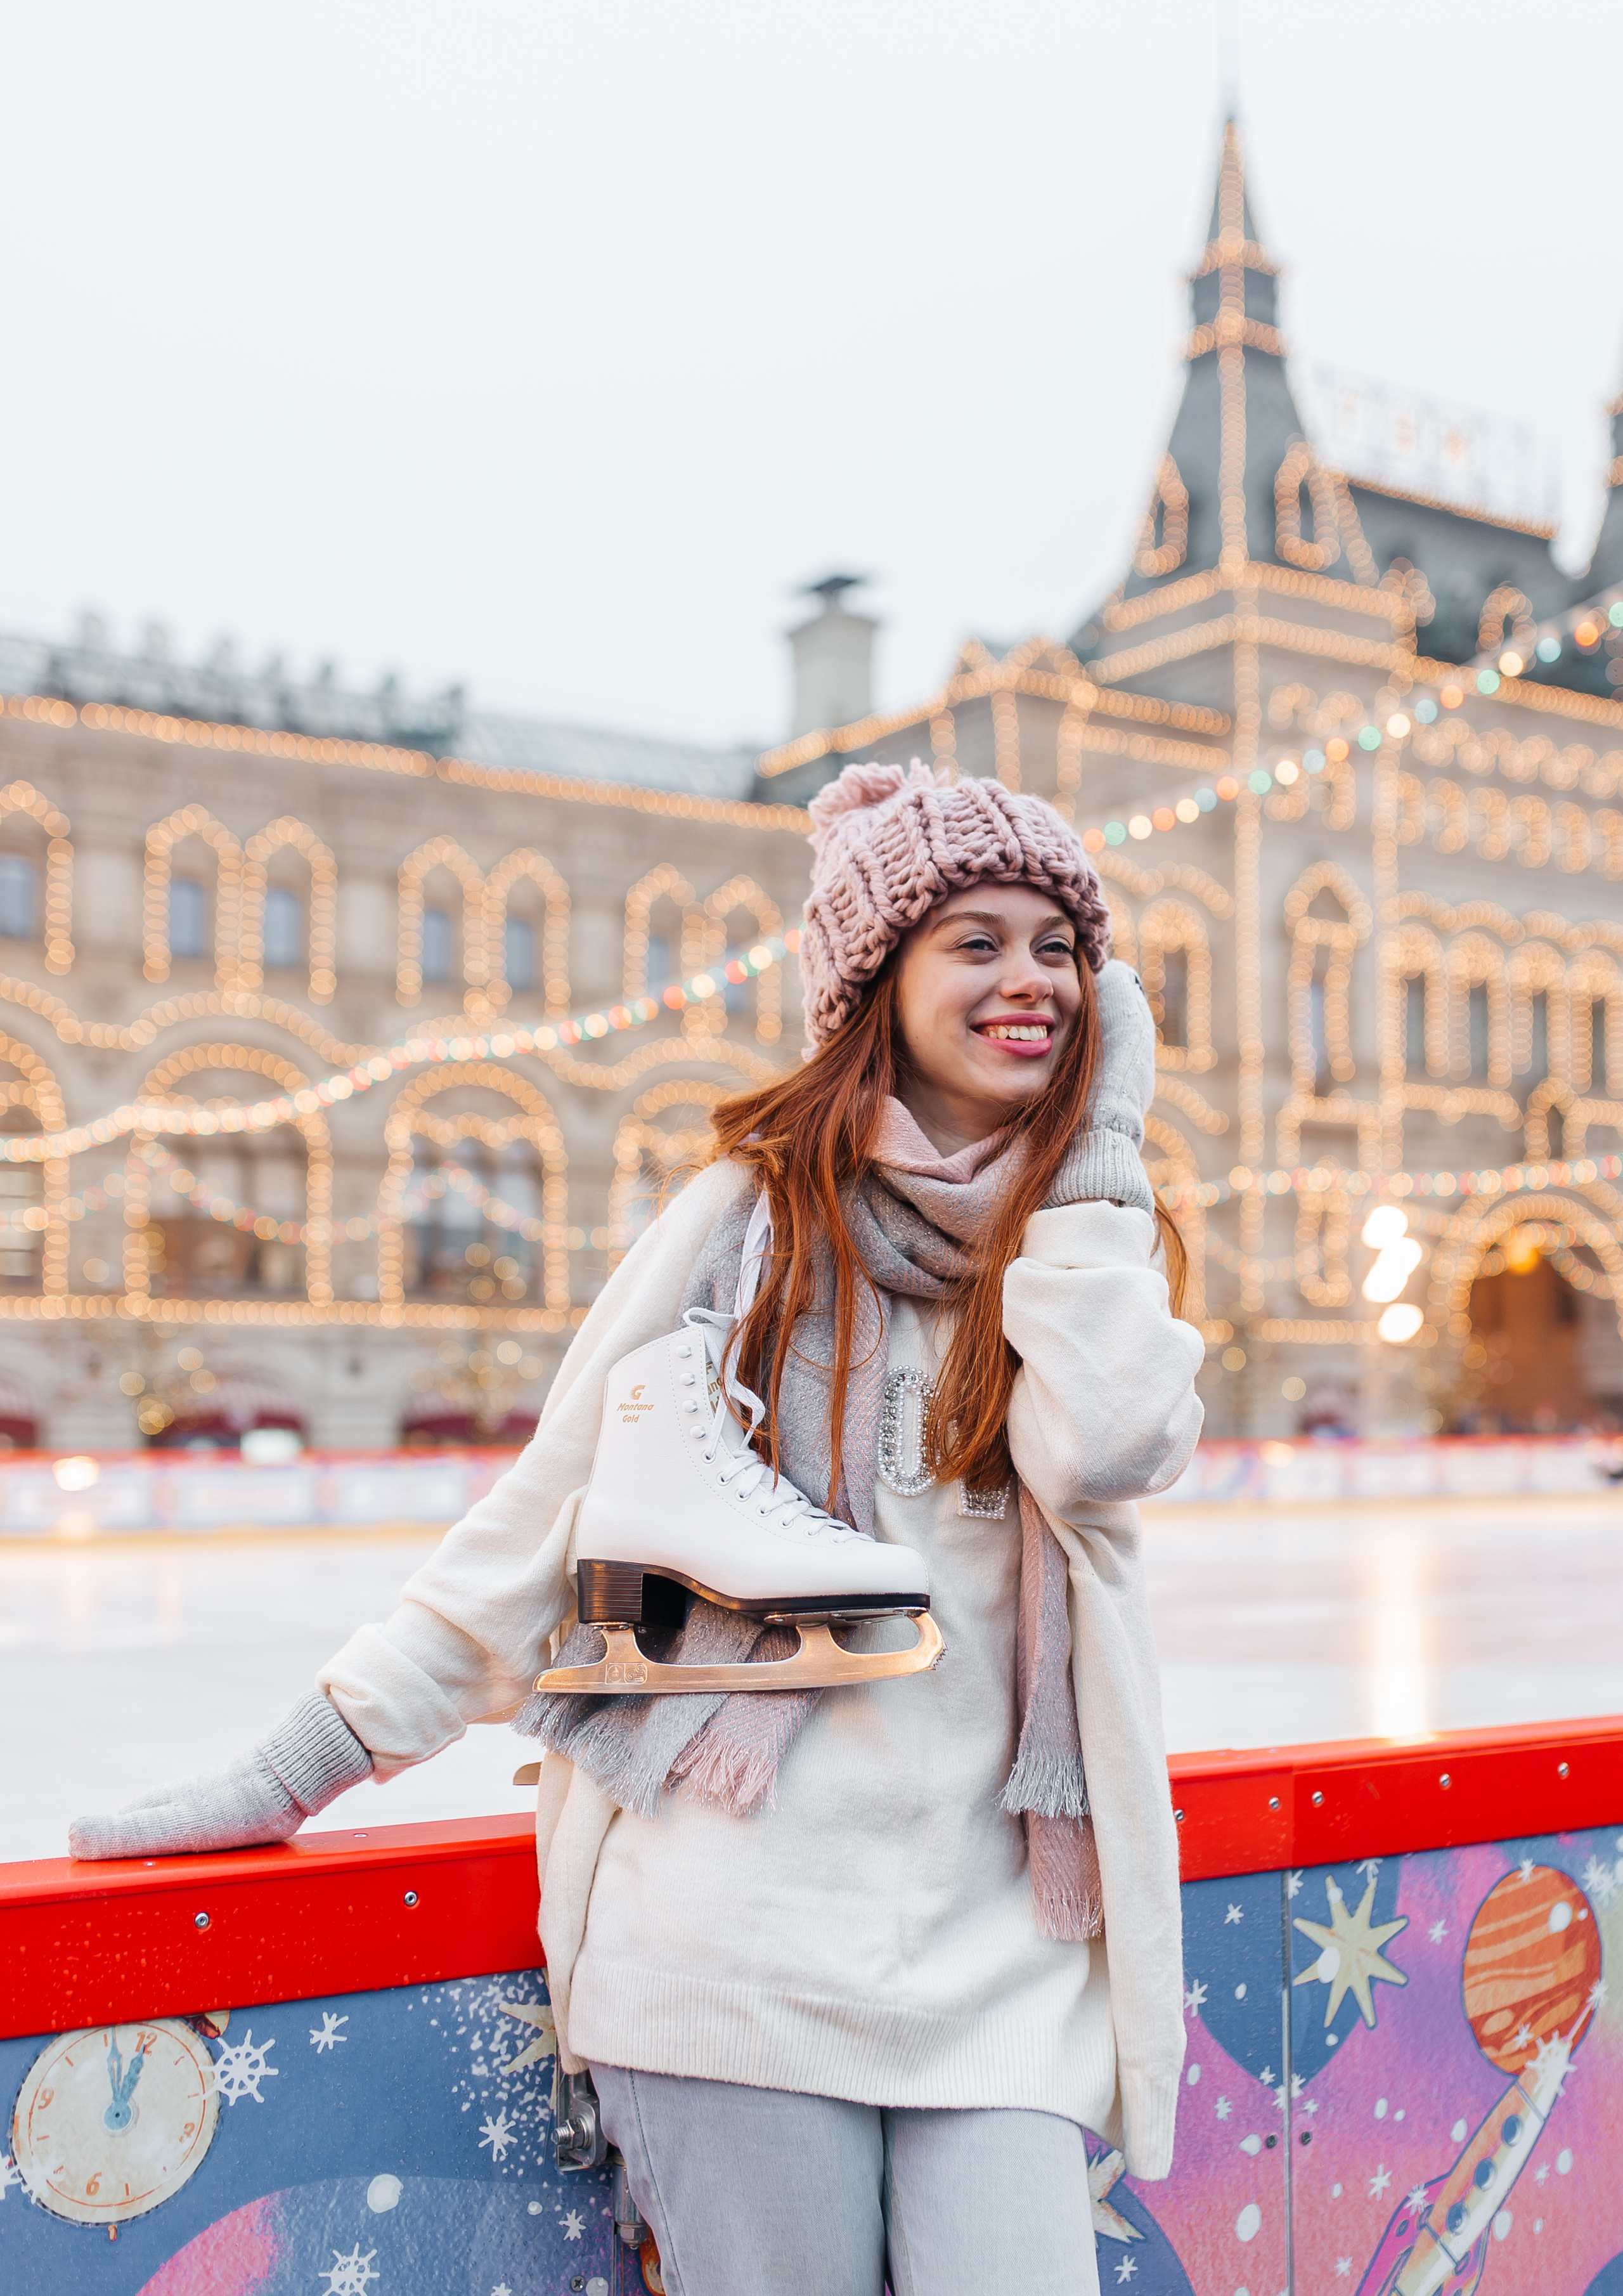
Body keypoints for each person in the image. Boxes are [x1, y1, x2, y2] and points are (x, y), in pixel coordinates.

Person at [72, 762, 1205, 2296]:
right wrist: (292, 1769)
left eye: (1062, 948)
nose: (1032, 983)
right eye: (977, 941)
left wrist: (1098, 1153)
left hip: (997, 1963)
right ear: (879, 982)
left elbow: (1115, 1448)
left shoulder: (1087, 1247)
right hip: (729, 1953)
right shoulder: (752, 1226)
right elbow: (537, 1528)